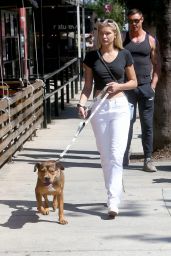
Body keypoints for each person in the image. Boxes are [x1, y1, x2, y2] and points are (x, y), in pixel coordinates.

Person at [77, 19, 137, 217]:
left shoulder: (125, 54)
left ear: (115, 35)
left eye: (108, 33)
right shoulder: (91, 57)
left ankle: (113, 200)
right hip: (99, 108)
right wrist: (81, 104)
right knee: (105, 156)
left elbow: (133, 82)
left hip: (120, 107)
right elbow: (87, 86)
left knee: (116, 155)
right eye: (101, 33)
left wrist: (118, 86)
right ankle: (112, 191)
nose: (104, 36)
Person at [123, 9, 161, 172]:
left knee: (147, 126)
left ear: (142, 19)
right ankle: (124, 156)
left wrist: (153, 85)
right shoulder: (123, 39)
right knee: (126, 124)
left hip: (146, 88)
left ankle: (148, 160)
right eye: (131, 20)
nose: (134, 24)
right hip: (127, 89)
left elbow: (157, 64)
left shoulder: (151, 40)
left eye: (136, 20)